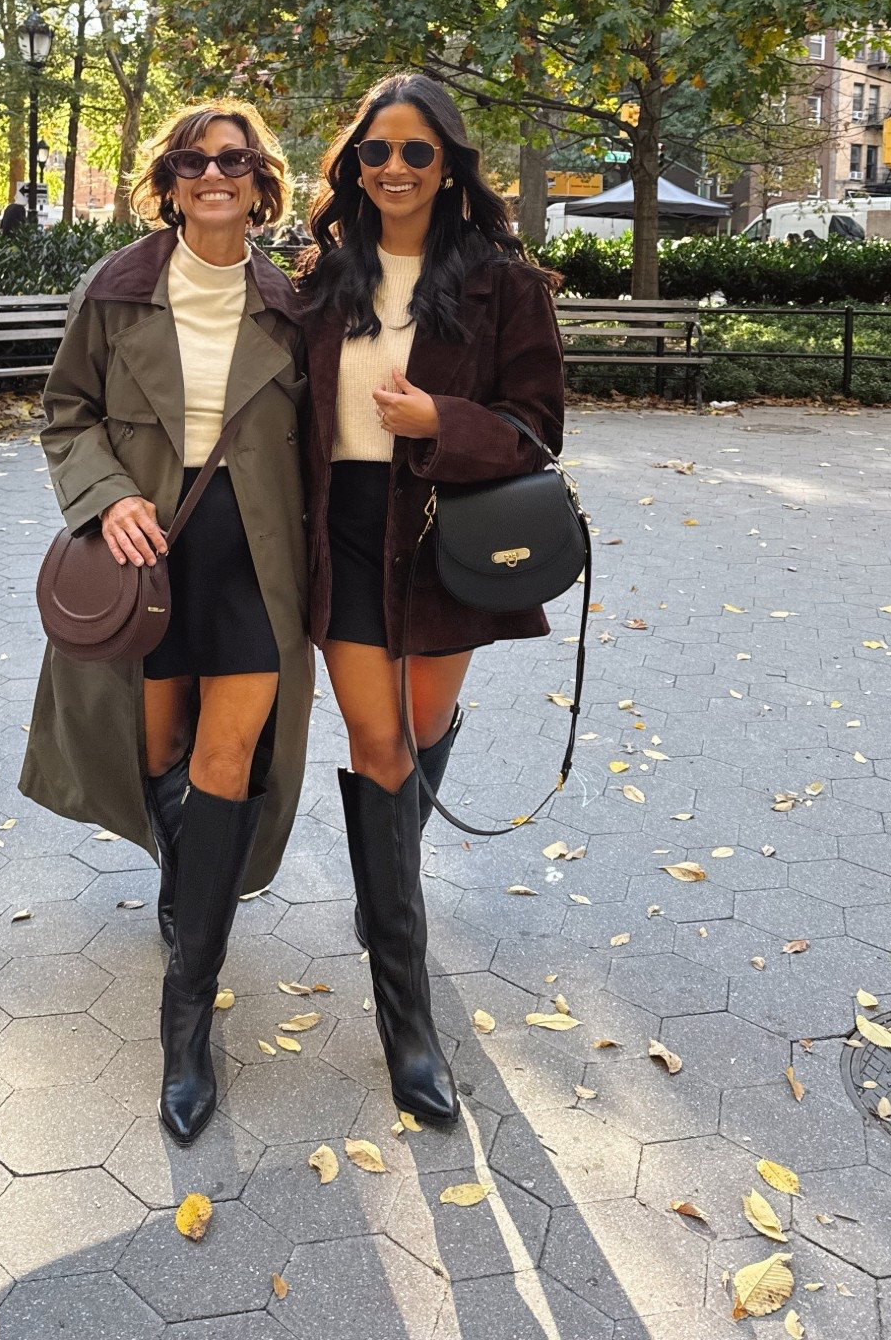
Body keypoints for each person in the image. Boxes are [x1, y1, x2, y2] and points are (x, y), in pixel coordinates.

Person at [19, 100, 312, 1146]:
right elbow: (65, 411)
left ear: (261, 179)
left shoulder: (292, 301)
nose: (214, 174)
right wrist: (107, 496)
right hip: (149, 554)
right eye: (195, 160)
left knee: (232, 760)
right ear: (172, 178)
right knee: (159, 754)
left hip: (258, 562)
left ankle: (187, 1015)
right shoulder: (118, 286)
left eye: (234, 159)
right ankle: (189, 884)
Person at [298, 75, 565, 1129]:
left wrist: (438, 418)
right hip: (344, 531)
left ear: (449, 163)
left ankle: (384, 873)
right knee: (381, 749)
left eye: (415, 152)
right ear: (352, 168)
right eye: (375, 153)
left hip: (439, 532)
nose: (394, 169)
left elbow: (537, 426)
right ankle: (407, 1021)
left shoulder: (504, 282)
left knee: (420, 726)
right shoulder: (325, 277)